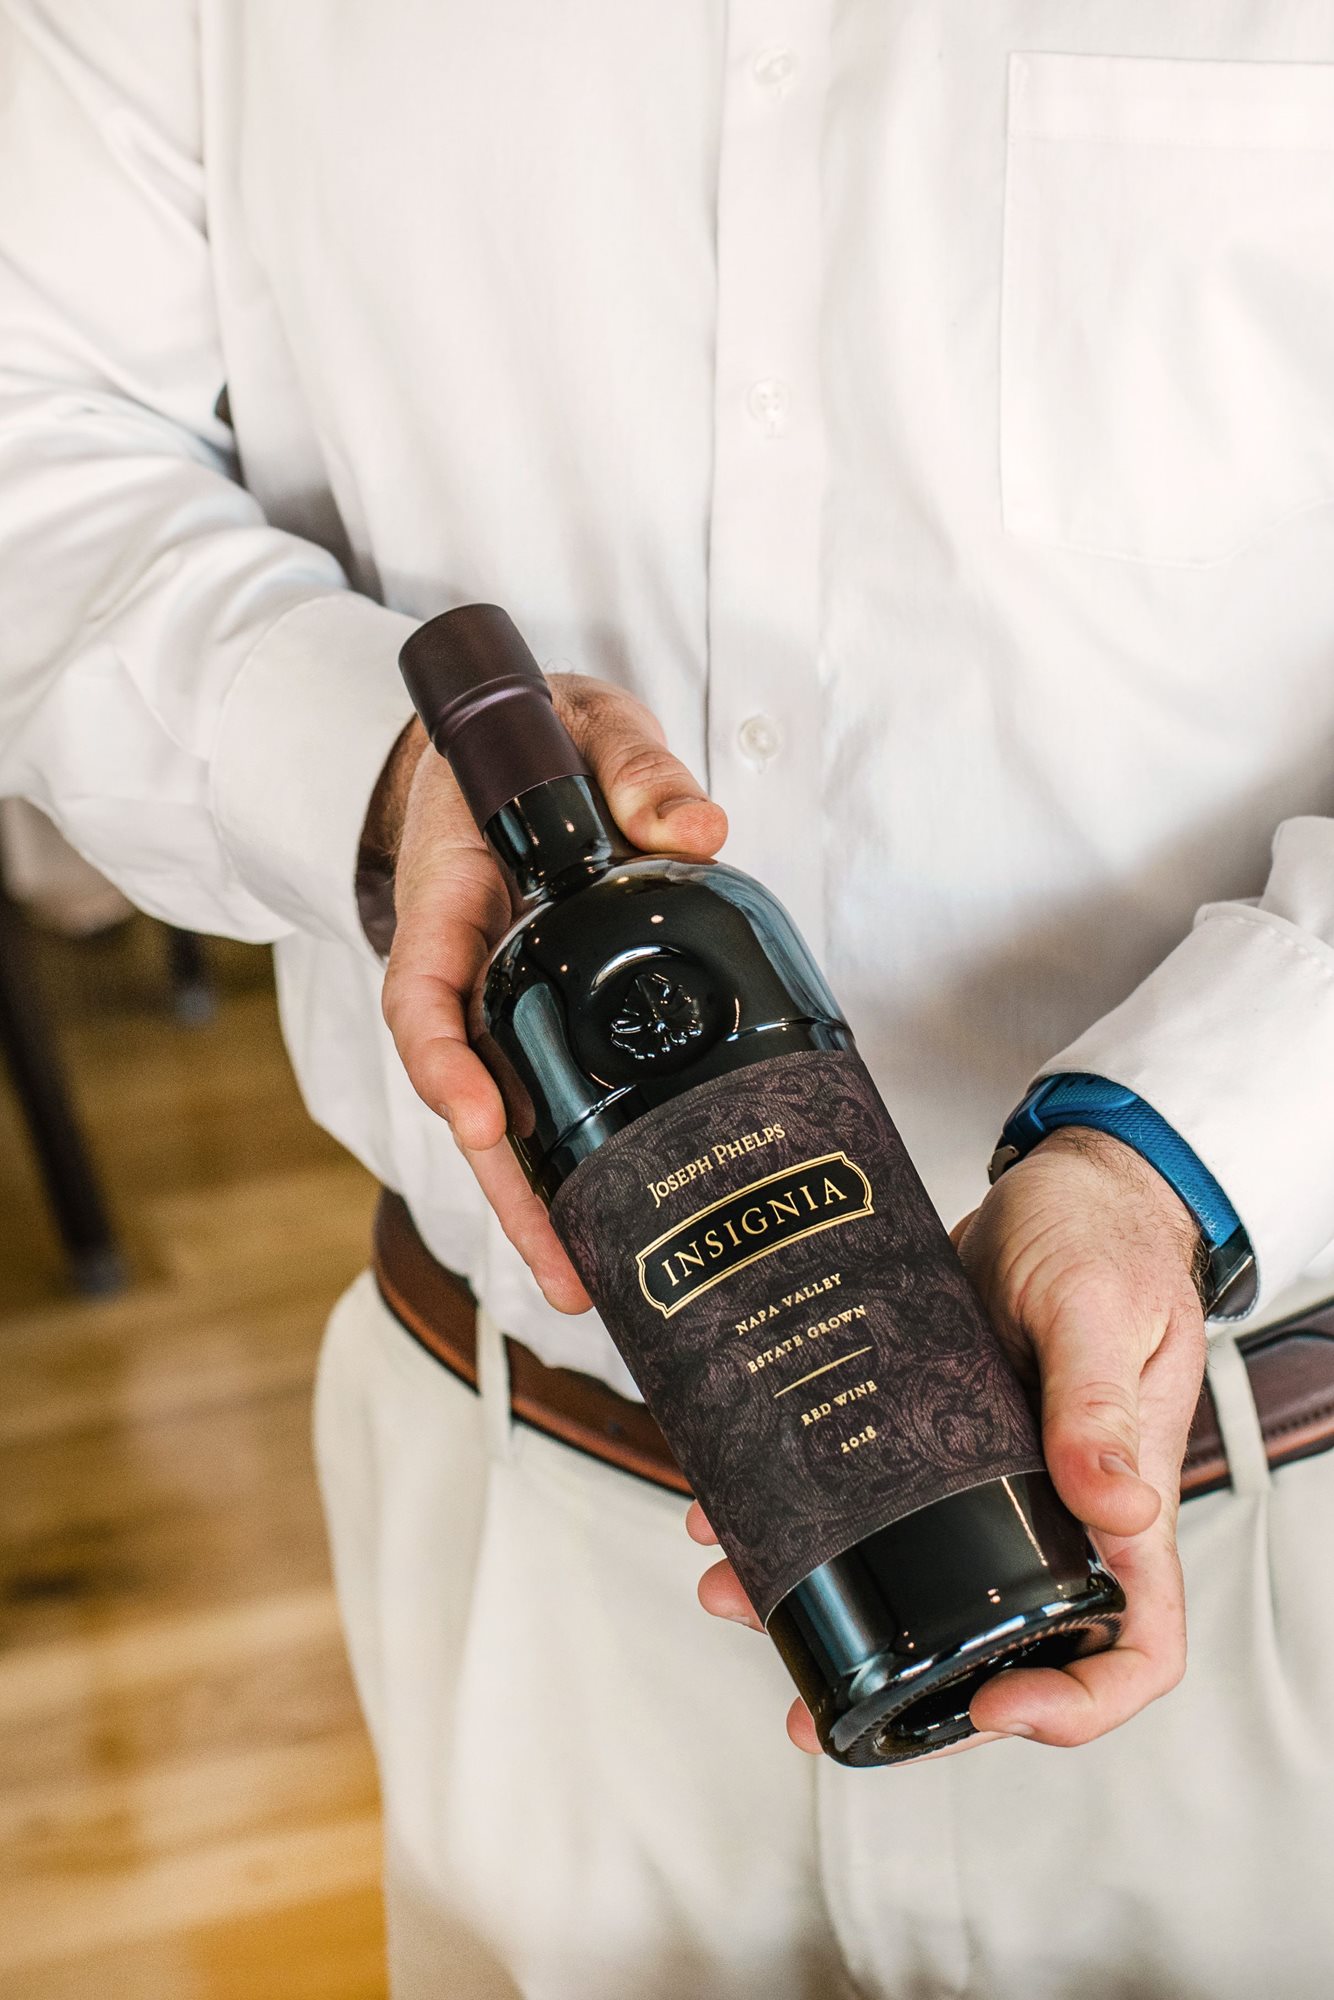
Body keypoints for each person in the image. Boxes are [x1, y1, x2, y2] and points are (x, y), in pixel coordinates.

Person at [3, 5, 1333, 1994]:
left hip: (1263, 1520)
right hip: (540, 1550)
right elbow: (27, 420)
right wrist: (372, 774)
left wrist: (1187, 1147)